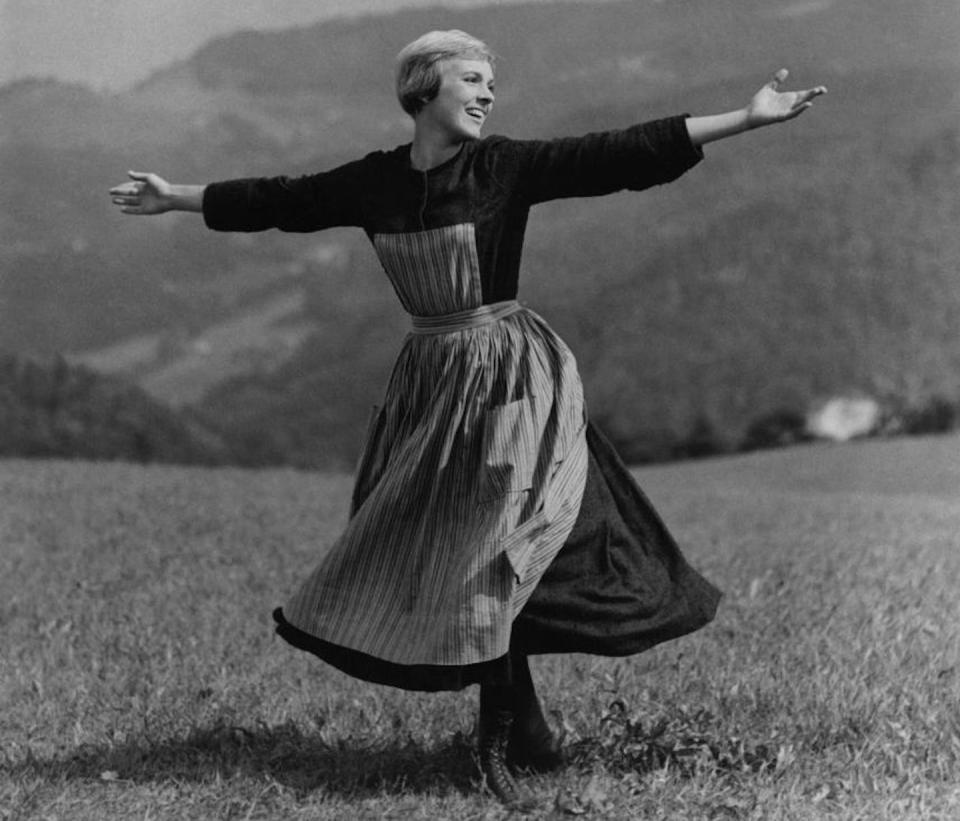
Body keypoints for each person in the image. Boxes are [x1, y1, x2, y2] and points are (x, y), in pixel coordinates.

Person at [109, 29, 826, 811]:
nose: (487, 93)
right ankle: (530, 731)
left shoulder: (503, 167)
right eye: (472, 80)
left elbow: (614, 154)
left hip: (511, 380)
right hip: (429, 388)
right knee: (448, 554)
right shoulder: (374, 182)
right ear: (422, 90)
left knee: (504, 549)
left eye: (490, 82)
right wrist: (174, 195)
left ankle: (500, 744)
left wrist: (744, 119)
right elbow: (283, 199)